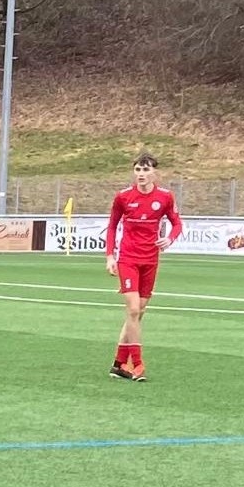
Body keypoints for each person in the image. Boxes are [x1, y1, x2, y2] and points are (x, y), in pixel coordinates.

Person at [105, 152, 183, 382]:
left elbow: (177, 223)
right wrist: (110, 256)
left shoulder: (165, 197)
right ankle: (137, 364)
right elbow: (112, 226)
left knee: (138, 312)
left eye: (146, 169)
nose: (141, 174)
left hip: (150, 260)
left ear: (154, 172)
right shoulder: (123, 197)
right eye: (138, 169)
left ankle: (119, 363)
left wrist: (170, 238)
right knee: (133, 309)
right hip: (128, 258)